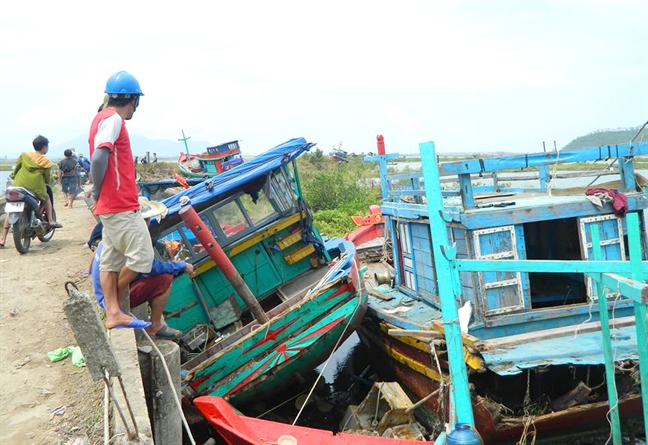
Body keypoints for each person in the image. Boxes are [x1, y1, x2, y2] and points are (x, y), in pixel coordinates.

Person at [89, 70, 152, 330]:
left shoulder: (100, 118)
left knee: (111, 261)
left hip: (112, 206)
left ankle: (113, 311)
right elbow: (98, 158)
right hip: (120, 205)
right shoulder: (114, 119)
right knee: (143, 258)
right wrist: (97, 190)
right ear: (132, 100)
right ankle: (111, 302)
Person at [89, 197, 194, 338]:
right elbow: (150, 266)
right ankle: (155, 325)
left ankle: (156, 318)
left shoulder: (116, 231)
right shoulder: (134, 237)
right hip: (109, 299)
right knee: (165, 279)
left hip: (105, 293)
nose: (149, 223)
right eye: (147, 220)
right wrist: (181, 265)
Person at [0, 135, 62, 247]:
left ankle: (3, 238)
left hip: (19, 185)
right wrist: (46, 181)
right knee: (47, 197)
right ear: (44, 147)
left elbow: (17, 168)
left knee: (11, 210)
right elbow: (47, 178)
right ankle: (52, 220)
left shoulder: (25, 155)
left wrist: (14, 176)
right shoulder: (45, 161)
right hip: (35, 188)